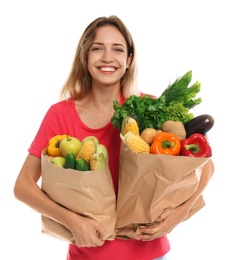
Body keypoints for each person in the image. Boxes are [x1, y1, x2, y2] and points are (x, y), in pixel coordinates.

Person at [14, 15, 214, 260]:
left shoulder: (149, 109)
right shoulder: (60, 115)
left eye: (117, 50)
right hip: (86, 255)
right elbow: (22, 186)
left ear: (129, 60)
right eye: (97, 48)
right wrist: (73, 221)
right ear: (85, 56)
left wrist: (180, 213)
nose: (107, 58)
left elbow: (205, 168)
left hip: (149, 253)